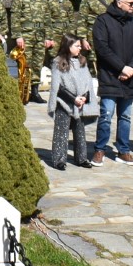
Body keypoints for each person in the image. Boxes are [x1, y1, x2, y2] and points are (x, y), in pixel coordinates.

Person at [92, 0, 133, 165]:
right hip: (110, 76)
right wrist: (121, 67)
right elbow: (102, 48)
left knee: (125, 117)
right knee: (106, 115)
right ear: (119, 3)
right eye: (130, 3)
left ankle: (123, 150)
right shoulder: (103, 21)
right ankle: (100, 149)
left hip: (130, 77)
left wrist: (132, 67)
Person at [47, 35, 96, 170]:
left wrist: (85, 97)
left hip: (80, 103)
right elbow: (57, 86)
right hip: (64, 102)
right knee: (61, 131)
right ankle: (59, 159)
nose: (80, 48)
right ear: (68, 46)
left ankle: (81, 158)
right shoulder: (58, 62)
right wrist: (73, 98)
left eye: (80, 46)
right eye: (77, 46)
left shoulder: (82, 61)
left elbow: (88, 81)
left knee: (80, 130)